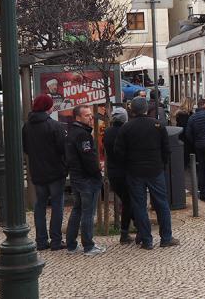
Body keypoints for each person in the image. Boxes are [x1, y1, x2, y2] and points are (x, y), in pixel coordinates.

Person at [115, 97, 179, 249]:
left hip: (134, 171)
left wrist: (127, 166)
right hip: (155, 170)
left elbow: (119, 152)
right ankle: (166, 238)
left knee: (139, 205)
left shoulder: (126, 128)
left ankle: (146, 240)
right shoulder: (157, 125)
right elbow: (166, 149)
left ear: (132, 110)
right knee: (161, 204)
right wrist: (162, 164)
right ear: (146, 109)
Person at [23, 94, 68, 251]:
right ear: (48, 107)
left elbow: (26, 149)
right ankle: (56, 240)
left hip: (37, 171)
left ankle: (41, 241)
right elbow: (63, 149)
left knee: (40, 206)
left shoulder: (27, 126)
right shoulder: (54, 126)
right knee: (57, 206)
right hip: (56, 171)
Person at [65, 105, 105, 256]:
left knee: (77, 210)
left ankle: (71, 244)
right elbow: (87, 158)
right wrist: (97, 169)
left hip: (76, 177)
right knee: (88, 213)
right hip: (87, 179)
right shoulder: (82, 135)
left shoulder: (72, 133)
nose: (91, 117)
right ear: (78, 118)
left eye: (90, 115)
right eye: (87, 115)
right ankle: (88, 245)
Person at [104, 107, 135, 245]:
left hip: (112, 172)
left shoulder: (107, 132)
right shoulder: (126, 131)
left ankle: (135, 229)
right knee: (129, 202)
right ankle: (126, 233)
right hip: (125, 171)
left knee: (127, 201)